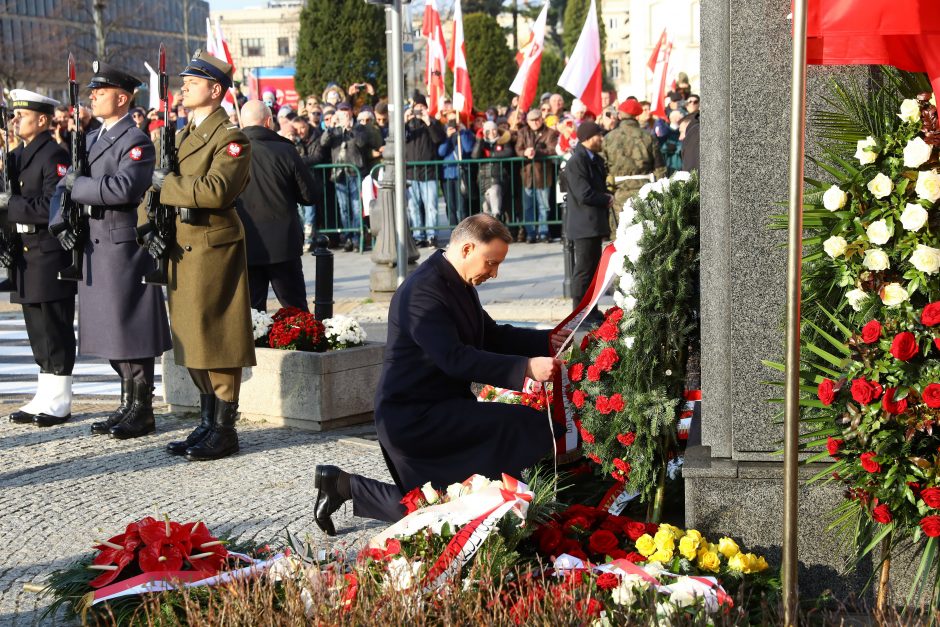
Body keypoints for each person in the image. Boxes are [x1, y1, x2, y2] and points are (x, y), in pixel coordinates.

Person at [313, 215, 568, 531]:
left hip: (443, 407)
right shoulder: (423, 291)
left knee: (449, 503)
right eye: (490, 263)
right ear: (467, 249)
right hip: (414, 418)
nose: (495, 273)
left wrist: (551, 339)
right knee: (451, 504)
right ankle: (528, 514)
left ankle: (342, 485)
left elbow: (490, 335)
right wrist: (525, 368)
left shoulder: (458, 281)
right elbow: (454, 358)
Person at [50, 62, 172, 439]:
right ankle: (126, 403)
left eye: (100, 92)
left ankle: (142, 408)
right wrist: (59, 223)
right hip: (90, 241)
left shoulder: (135, 140)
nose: (93, 96)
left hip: (120, 244)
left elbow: (123, 189)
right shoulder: (88, 139)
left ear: (122, 98)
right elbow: (62, 189)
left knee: (130, 328)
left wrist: (79, 185)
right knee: (107, 331)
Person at [147, 51, 255, 461]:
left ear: (215, 90)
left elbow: (215, 191)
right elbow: (156, 187)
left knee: (217, 334)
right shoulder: (181, 135)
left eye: (192, 82)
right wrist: (146, 224)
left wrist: (168, 184)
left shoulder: (231, 139)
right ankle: (207, 420)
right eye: (184, 81)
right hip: (179, 245)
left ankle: (225, 428)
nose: (183, 87)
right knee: (190, 335)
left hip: (212, 247)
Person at [1, 90, 76, 427]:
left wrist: (10, 205)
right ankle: (44, 393)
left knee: (55, 326)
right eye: (15, 116)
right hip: (25, 254)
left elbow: (52, 205)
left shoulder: (54, 155)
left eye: (23, 115)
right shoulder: (17, 155)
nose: (16, 121)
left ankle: (60, 398)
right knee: (36, 327)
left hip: (47, 253)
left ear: (43, 120)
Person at [236, 100, 317, 312]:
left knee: (253, 315)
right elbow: (309, 195)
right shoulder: (285, 150)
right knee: (295, 311)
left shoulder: (229, 154)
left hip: (246, 242)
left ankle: (258, 346)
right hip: (283, 243)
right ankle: (301, 346)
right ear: (269, 121)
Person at [564, 121, 613, 323]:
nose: (601, 138)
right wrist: (606, 198)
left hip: (593, 224)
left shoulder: (593, 159)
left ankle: (591, 310)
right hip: (584, 224)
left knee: (593, 271)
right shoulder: (577, 161)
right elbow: (584, 193)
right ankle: (580, 313)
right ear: (587, 138)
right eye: (597, 135)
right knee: (584, 271)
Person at [318, 102, 382, 252]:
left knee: (355, 207)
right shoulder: (334, 130)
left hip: (356, 172)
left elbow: (361, 143)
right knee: (344, 208)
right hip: (339, 174)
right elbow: (323, 142)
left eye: (346, 110)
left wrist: (350, 129)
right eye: (341, 111)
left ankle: (356, 238)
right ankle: (347, 237)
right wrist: (331, 127)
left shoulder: (359, 127)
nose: (344, 113)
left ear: (351, 112)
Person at [603, 98, 666, 215]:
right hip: (645, 192)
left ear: (620, 115)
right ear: (637, 115)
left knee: (619, 231)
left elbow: (603, 167)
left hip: (618, 193)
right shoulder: (649, 137)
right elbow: (659, 168)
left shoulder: (609, 138)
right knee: (645, 230)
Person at [404, 95, 446, 247]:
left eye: (422, 108)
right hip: (411, 172)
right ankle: (418, 235)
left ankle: (431, 235)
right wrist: (404, 121)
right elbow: (398, 139)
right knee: (413, 207)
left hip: (429, 172)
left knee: (431, 206)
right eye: (417, 108)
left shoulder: (433, 122)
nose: (419, 111)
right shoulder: (408, 124)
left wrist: (428, 121)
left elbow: (438, 139)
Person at [515, 109, 558, 243]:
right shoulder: (523, 132)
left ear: (542, 118)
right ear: (527, 121)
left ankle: (544, 232)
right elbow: (518, 149)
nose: (535, 122)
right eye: (532, 120)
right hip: (527, 175)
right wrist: (525, 153)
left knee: (544, 206)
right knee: (528, 206)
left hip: (543, 175)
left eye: (537, 119)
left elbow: (552, 149)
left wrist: (537, 152)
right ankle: (531, 233)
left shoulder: (550, 133)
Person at [471, 120, 514, 218]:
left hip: (498, 177)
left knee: (495, 192)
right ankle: (491, 225)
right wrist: (479, 141)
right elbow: (475, 156)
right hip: (483, 178)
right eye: (488, 131)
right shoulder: (482, 143)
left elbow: (508, 153)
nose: (492, 133)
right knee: (486, 207)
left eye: (494, 130)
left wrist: (491, 155)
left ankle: (496, 214)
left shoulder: (503, 141)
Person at [437, 118, 475, 229]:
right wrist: (448, 137)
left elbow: (468, 148)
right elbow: (441, 151)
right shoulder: (443, 134)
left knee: (462, 206)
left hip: (460, 174)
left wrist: (462, 132)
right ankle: (454, 232)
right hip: (447, 175)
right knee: (451, 206)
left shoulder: (464, 133)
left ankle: (464, 231)